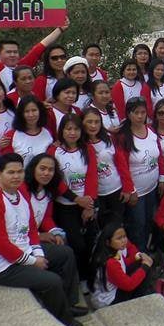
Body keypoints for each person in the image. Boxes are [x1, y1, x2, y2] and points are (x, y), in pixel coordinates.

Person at [0, 153, 85, 326]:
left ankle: (68, 304)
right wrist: (33, 261)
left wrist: (39, 253)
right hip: (3, 266)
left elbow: (31, 227)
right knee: (52, 281)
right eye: (11, 172)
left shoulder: (20, 193)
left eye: (19, 172)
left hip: (23, 249)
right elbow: (0, 246)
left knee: (66, 254)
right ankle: (63, 320)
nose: (16, 176)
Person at [48, 113, 99, 287]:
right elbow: (55, 180)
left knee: (91, 241)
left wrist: (89, 204)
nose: (72, 133)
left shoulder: (87, 149)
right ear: (61, 131)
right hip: (66, 205)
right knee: (77, 244)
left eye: (76, 129)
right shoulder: (54, 151)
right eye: (68, 129)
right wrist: (76, 199)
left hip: (86, 204)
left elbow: (92, 176)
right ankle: (81, 278)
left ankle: (92, 276)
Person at [114, 97, 164, 250]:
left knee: (149, 221)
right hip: (137, 191)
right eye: (136, 113)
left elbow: (159, 156)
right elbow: (122, 166)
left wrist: (162, 178)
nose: (140, 116)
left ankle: (147, 251)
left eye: (143, 112)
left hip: (152, 187)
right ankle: (139, 256)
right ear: (129, 114)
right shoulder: (123, 137)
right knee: (137, 225)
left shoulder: (151, 130)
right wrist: (131, 190)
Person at [83, 108, 132, 229]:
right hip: (96, 195)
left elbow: (122, 164)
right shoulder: (80, 144)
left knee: (116, 226)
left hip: (115, 190)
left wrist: (127, 188)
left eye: (97, 121)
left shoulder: (109, 139)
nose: (93, 125)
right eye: (89, 122)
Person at [89, 221, 155, 309]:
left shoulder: (113, 250)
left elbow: (123, 264)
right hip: (108, 301)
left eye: (124, 236)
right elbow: (128, 285)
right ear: (108, 242)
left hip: (111, 291)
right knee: (145, 271)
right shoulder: (110, 262)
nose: (124, 240)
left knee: (141, 264)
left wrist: (138, 257)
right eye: (119, 238)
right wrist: (145, 266)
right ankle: (137, 301)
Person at [4, 94, 54, 168]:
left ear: (40, 111)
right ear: (21, 114)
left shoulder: (47, 133)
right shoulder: (10, 135)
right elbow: (6, 165)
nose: (31, 115)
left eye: (34, 110)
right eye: (26, 111)